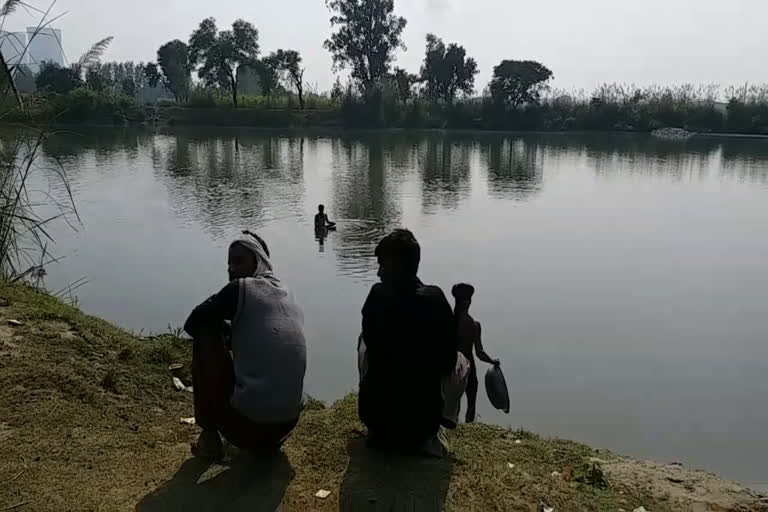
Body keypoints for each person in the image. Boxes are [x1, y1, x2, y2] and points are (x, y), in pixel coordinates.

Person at [183, 230, 307, 459]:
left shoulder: (240, 289)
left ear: (258, 262)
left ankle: (209, 439)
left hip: (248, 428)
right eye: (229, 263)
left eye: (238, 261)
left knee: (206, 330)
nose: (231, 269)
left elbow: (192, 323)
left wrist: (224, 333)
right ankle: (262, 439)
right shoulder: (289, 294)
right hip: (287, 425)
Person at [359, 229, 458, 455]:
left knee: (363, 342)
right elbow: (448, 360)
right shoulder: (436, 299)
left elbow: (372, 344)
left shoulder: (377, 296)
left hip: (377, 422)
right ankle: (444, 420)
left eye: (382, 265)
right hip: (421, 426)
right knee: (461, 361)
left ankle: (377, 420)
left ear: (394, 266)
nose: (378, 273)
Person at [452, 283, 500, 423]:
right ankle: (461, 426)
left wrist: (492, 361)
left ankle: (462, 427)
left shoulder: (464, 324)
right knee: (461, 402)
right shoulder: (468, 324)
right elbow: (479, 352)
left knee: (462, 402)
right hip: (459, 367)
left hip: (462, 367)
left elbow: (479, 352)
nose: (467, 302)